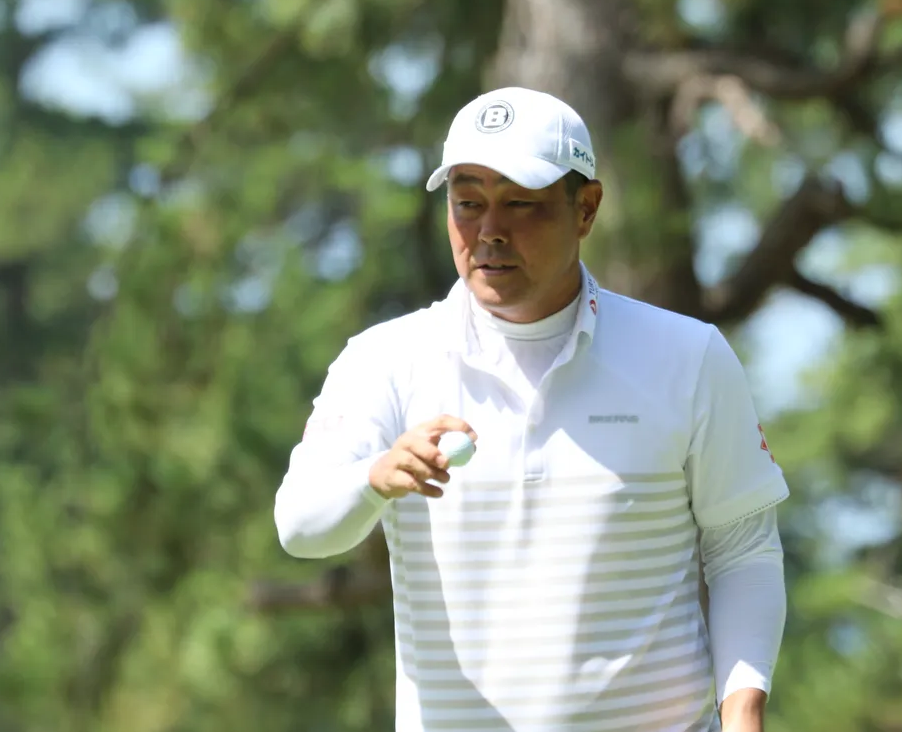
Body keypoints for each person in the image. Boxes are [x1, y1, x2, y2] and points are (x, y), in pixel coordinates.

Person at [274, 86, 789, 732]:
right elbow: (300, 525)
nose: (490, 230)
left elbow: (743, 549)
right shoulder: (385, 359)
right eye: (467, 203)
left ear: (586, 208)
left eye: (520, 203)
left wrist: (742, 709)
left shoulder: (688, 355)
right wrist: (375, 477)